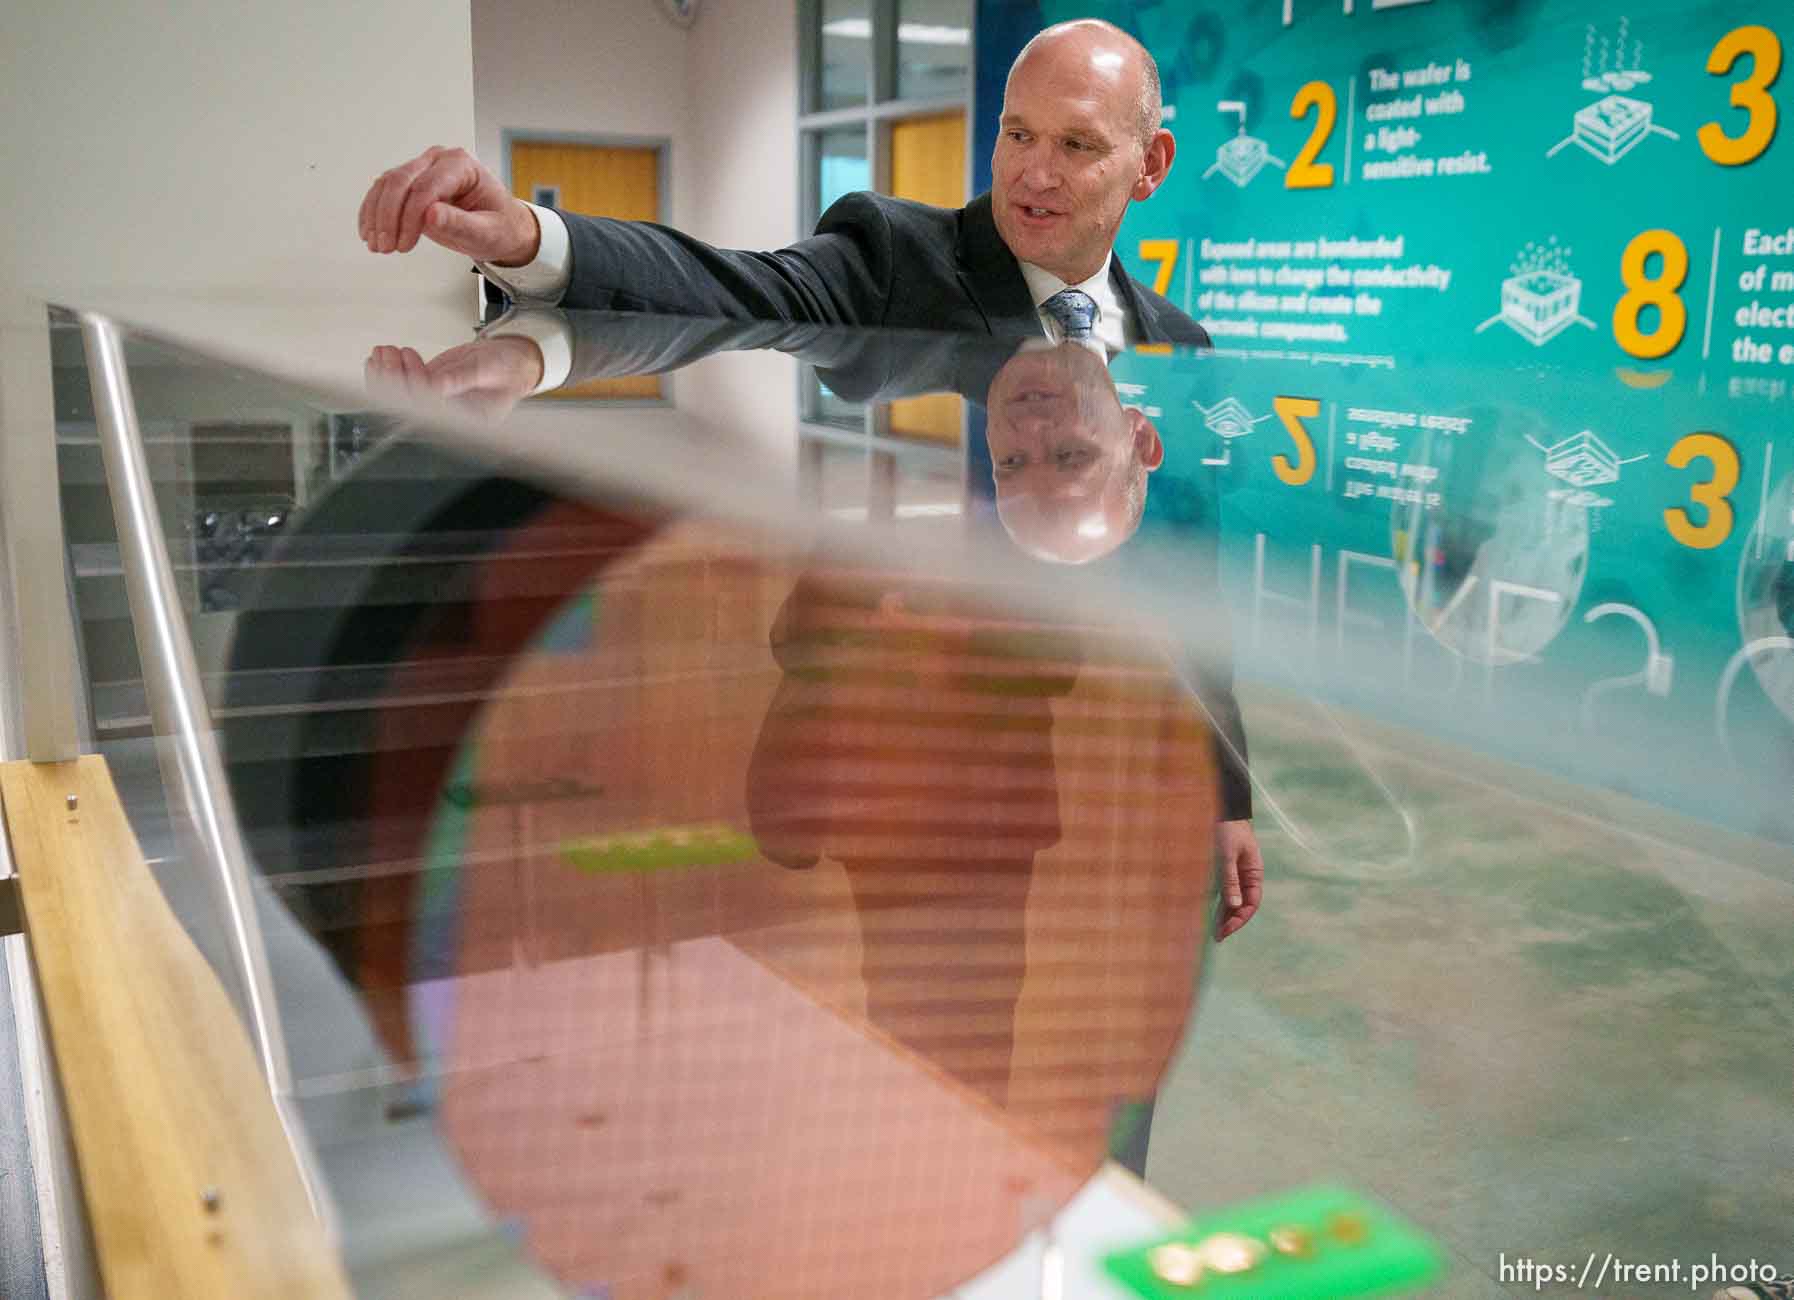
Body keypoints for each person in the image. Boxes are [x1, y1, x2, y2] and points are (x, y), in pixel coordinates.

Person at [358, 19, 1205, 347]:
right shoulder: (891, 258)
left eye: (1077, 144)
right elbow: (726, 283)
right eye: (1018, 133)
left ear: (1150, 166)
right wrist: (530, 238)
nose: (1035, 172)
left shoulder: (1180, 346)